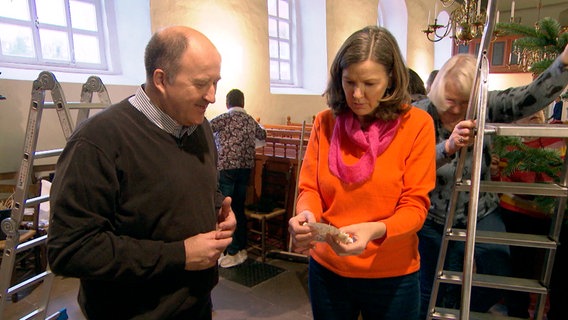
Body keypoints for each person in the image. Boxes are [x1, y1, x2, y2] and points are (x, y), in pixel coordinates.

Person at [47, 26, 237, 320]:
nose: (212, 96)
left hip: (197, 306)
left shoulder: (201, 129)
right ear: (161, 79)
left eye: (216, 82)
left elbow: (198, 189)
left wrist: (218, 211)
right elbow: (70, 250)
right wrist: (180, 256)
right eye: (201, 84)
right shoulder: (99, 141)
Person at [288, 26, 436, 320]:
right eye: (349, 82)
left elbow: (415, 206)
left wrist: (375, 229)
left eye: (369, 83)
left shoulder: (417, 124)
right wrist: (307, 216)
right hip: (329, 270)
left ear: (391, 80)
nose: (356, 94)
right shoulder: (325, 122)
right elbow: (310, 189)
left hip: (391, 273)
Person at [413, 45, 568, 319]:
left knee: (497, 271)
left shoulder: (485, 106)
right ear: (438, 93)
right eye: (451, 101)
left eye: (465, 103)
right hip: (431, 214)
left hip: (481, 208)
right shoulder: (420, 113)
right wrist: (446, 147)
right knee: (431, 285)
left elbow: (528, 98)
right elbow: (410, 163)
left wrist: (563, 65)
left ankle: (459, 312)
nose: (458, 110)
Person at [490, 110, 565, 318]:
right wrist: (494, 171)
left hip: (554, 212)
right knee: (519, 266)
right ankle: (518, 311)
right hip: (516, 211)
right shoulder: (506, 143)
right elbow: (497, 184)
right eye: (528, 111)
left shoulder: (558, 135)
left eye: (539, 110)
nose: (535, 113)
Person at [210, 88, 266, 268]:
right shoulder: (250, 120)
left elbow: (205, 129)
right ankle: (240, 248)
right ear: (243, 103)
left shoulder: (224, 118)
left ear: (227, 103)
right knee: (239, 208)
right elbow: (263, 136)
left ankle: (228, 250)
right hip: (245, 168)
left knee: (225, 210)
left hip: (226, 168)